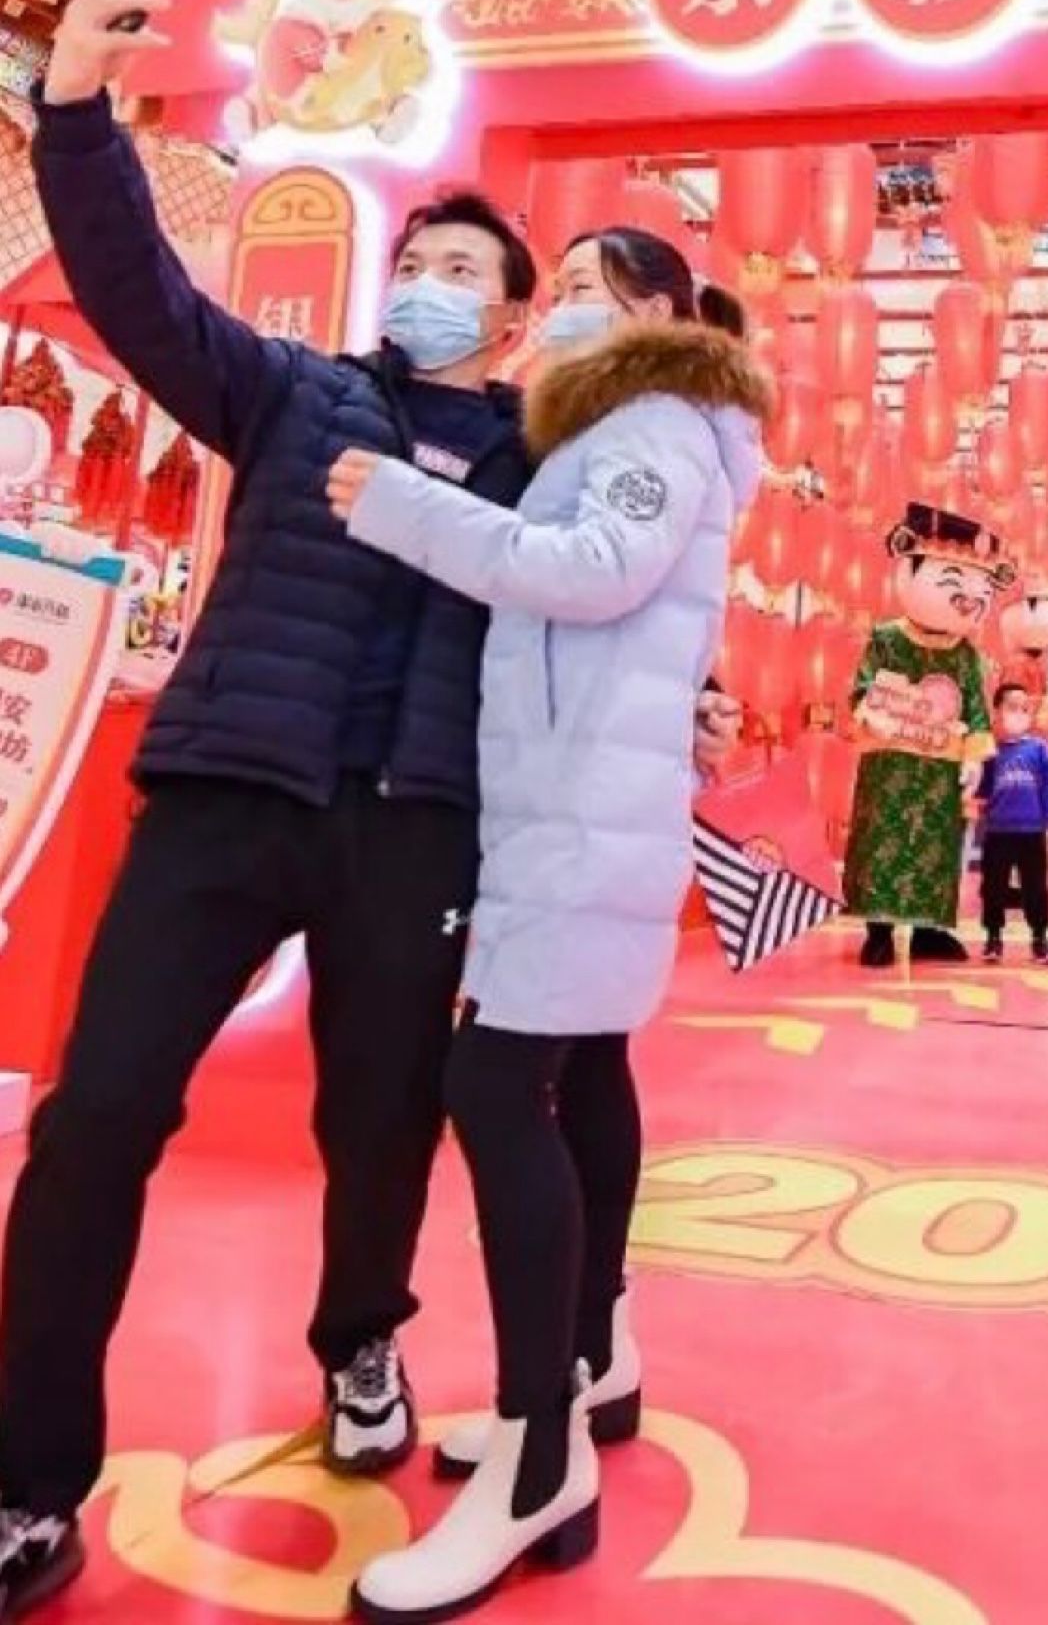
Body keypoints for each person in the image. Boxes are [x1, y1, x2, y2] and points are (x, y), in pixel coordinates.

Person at [0, 0, 538, 1614]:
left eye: (471, 274)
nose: (438, 286)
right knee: (95, 1116)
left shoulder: (544, 464)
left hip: (414, 825)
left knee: (377, 1122)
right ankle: (26, 1482)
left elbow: (624, 599)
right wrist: (75, 110)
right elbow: (140, 292)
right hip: (230, 794)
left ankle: (359, 1340)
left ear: (517, 319)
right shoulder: (295, 393)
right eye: (425, 263)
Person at [329, 228, 765, 1618]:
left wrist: (405, 503)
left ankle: (538, 1455)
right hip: (576, 795)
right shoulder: (643, 416)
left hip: (582, 805)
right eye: (558, 288)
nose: (558, 310)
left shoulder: (648, 416)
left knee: (497, 1078)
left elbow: (594, 570)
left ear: (654, 312)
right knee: (579, 1072)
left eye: (585, 289)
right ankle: (593, 1360)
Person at [977, 684, 1048, 965]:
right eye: (1011, 707)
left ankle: (1040, 938)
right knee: (993, 887)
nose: (1018, 713)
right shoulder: (989, 749)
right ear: (997, 711)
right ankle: (993, 937)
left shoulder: (1039, 750)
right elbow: (981, 789)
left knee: (1036, 887)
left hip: (1031, 831)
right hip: (997, 831)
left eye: (1024, 708)